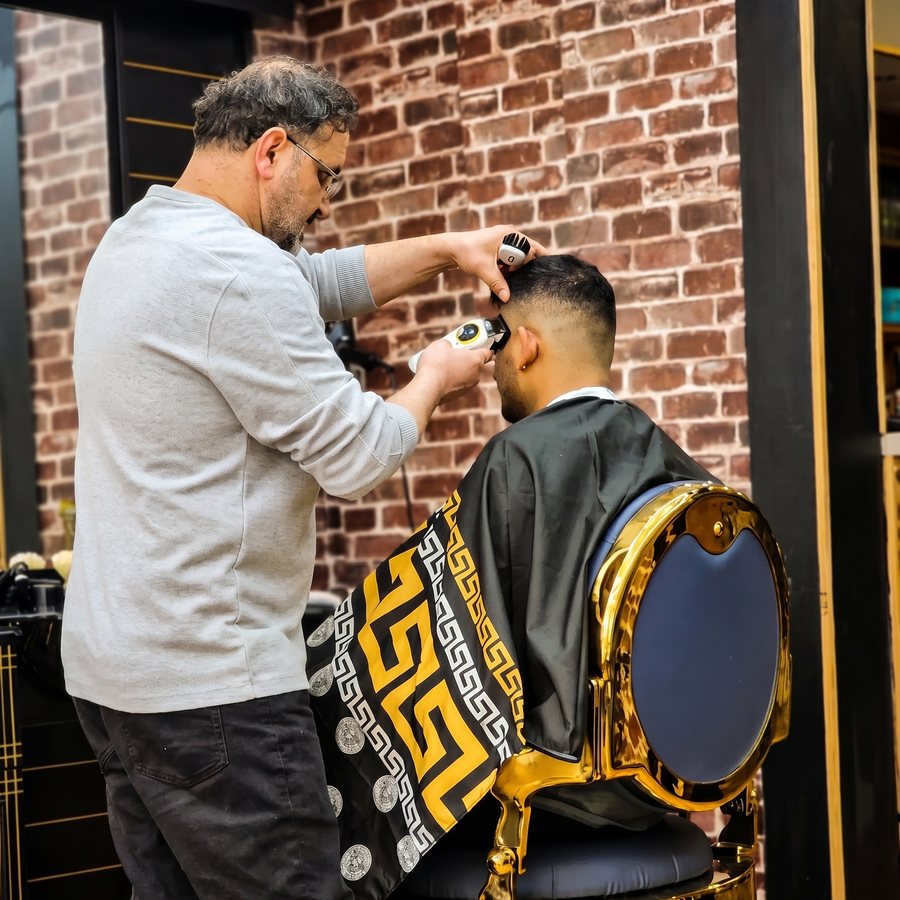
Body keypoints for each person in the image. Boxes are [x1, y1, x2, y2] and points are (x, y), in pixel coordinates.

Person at [60, 57, 541, 900]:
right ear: (272, 151)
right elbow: (359, 454)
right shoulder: (234, 274)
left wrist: (447, 250)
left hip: (116, 675)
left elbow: (313, 282)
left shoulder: (142, 234)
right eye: (328, 177)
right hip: (215, 693)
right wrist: (433, 375)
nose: (327, 203)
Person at [306, 253, 716, 900]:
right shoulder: (686, 472)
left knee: (317, 719)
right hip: (661, 782)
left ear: (523, 346)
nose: (493, 363)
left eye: (497, 343)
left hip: (555, 791)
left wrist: (314, 663)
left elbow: (438, 643)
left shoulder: (517, 462)